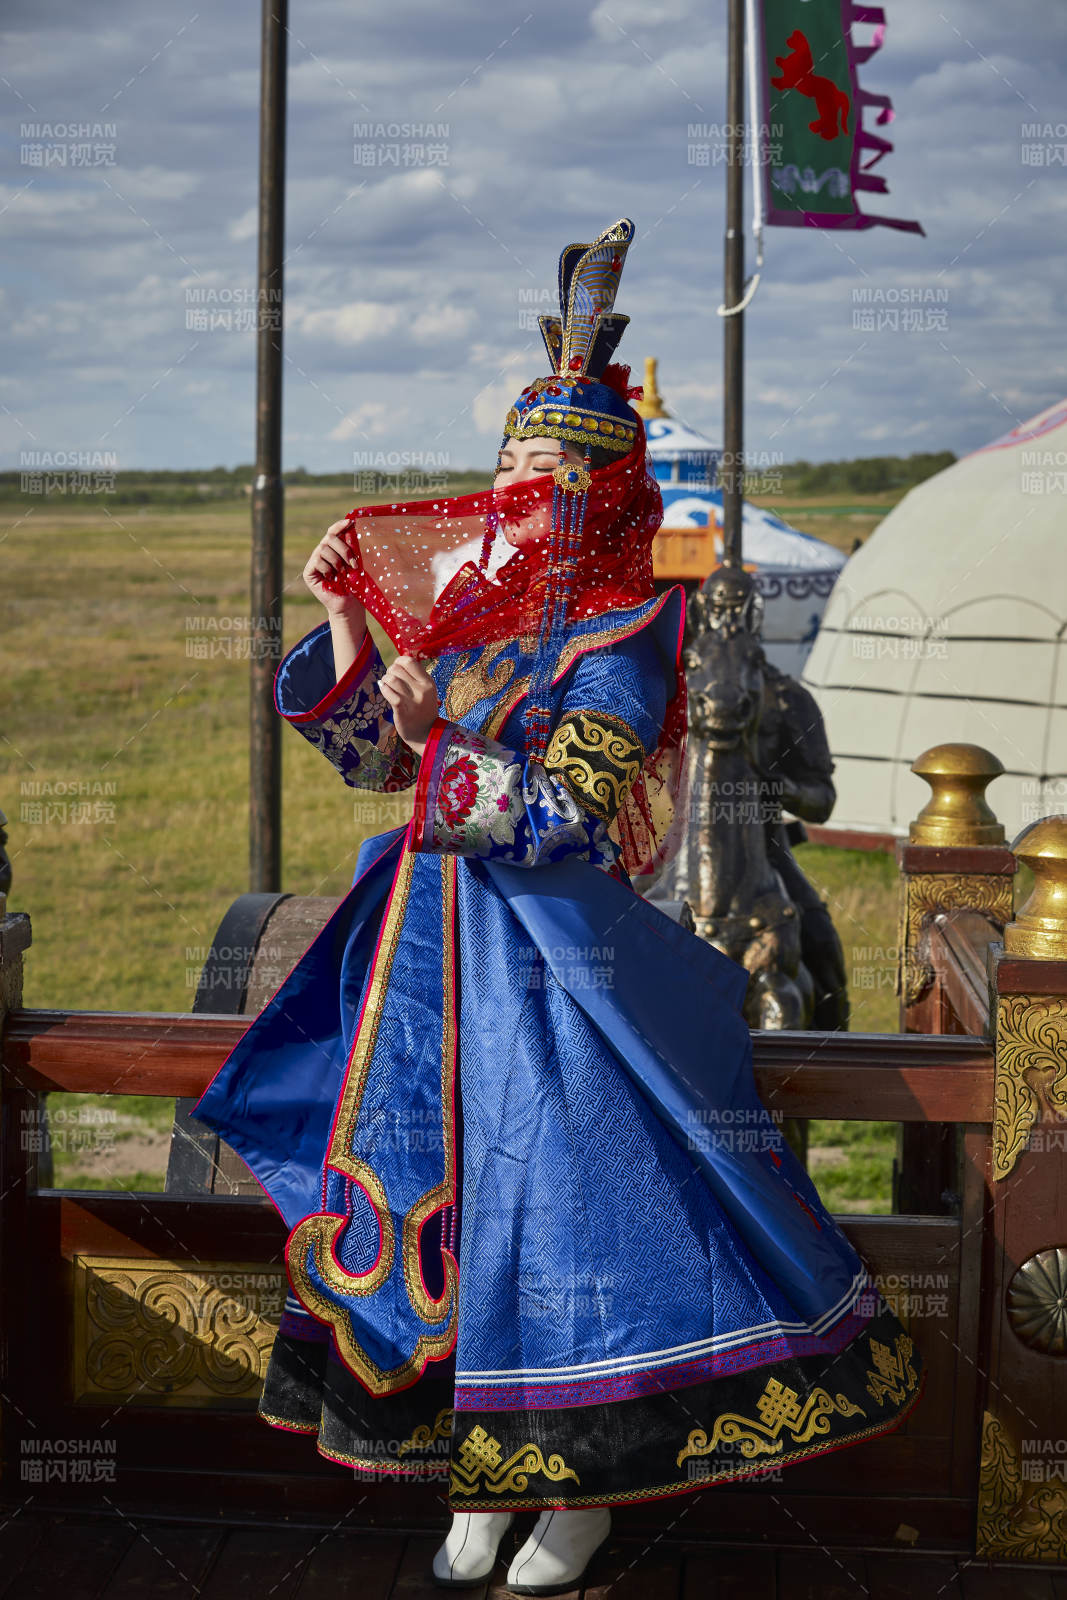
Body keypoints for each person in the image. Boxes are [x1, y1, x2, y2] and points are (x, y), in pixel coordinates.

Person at [191, 218, 925, 1595]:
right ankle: (467, 1468)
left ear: (596, 492)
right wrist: (351, 627)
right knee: (432, 1199)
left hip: (548, 965)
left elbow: (565, 815)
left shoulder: (625, 636)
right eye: (505, 472)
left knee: (561, 1211)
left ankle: (575, 1494)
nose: (512, 496)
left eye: (539, 478)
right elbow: (380, 764)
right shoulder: (477, 620)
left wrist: (443, 741)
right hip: (422, 968)